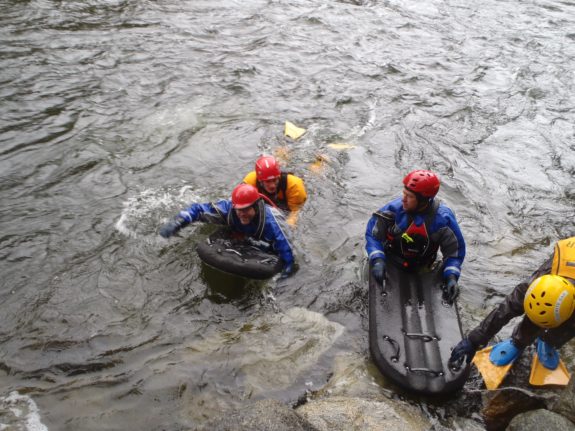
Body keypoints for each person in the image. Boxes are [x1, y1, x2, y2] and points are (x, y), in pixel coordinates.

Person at [449, 237, 575, 379]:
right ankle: (519, 341)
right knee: (529, 312)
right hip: (567, 260)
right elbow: (507, 308)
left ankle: (549, 341)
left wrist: (554, 339)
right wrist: (473, 340)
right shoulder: (536, 283)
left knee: (571, 326)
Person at [365, 169, 466, 304]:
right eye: (404, 194)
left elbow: (454, 253)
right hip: (391, 260)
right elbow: (373, 236)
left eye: (410, 196)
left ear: (424, 201)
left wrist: (452, 276)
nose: (403, 199)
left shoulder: (443, 219)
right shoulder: (392, 210)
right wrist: (377, 259)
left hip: (423, 266)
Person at [159, 183, 295, 279]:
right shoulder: (227, 209)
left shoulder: (272, 223)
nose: (241, 214)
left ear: (257, 207)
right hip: (242, 233)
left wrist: (286, 273)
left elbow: (287, 252)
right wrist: (179, 221)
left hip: (264, 238)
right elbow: (198, 210)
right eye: (239, 209)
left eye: (246, 209)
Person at [242, 155, 307, 225]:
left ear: (278, 177)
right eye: (267, 181)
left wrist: (287, 226)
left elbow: (295, 212)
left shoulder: (294, 186)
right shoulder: (250, 183)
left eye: (274, 180)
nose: (272, 185)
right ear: (260, 181)